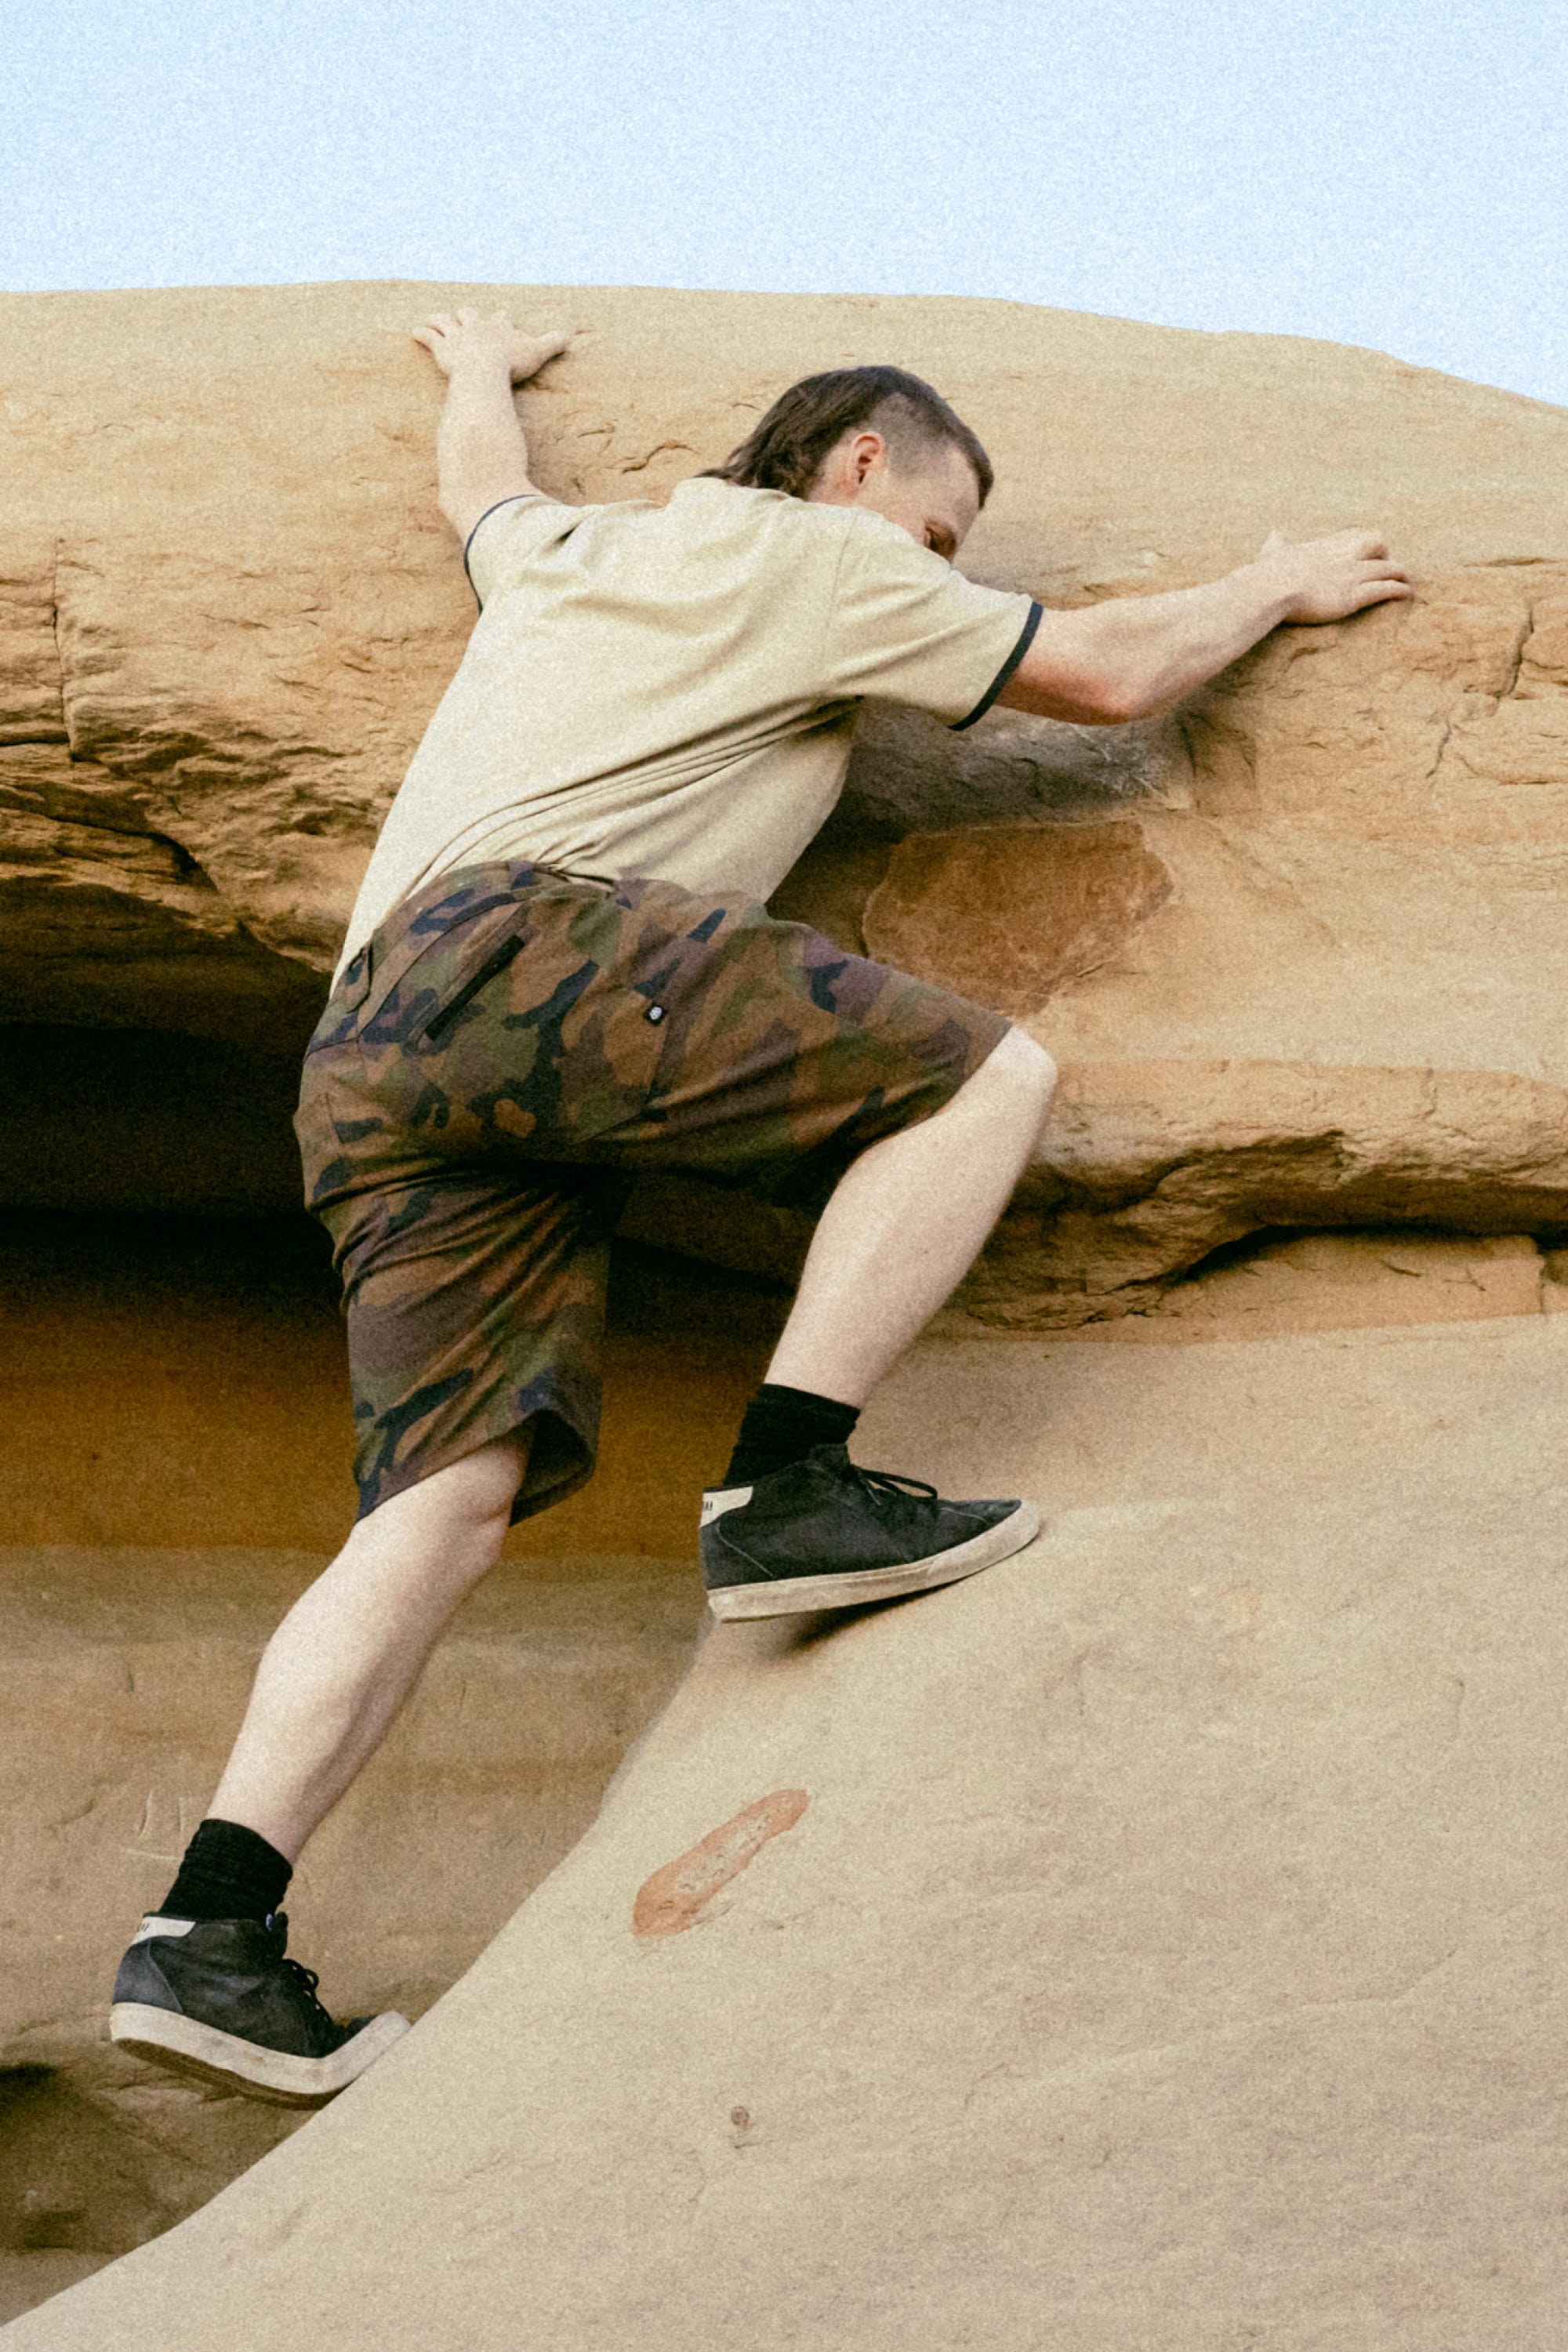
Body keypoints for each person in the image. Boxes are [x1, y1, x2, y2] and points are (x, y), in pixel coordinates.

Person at [108, 309, 1412, 2100]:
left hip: (370, 1051)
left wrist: (476, 373)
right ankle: (792, 1481)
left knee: (444, 1497)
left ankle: (210, 1931)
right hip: (532, 953)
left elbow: (483, 493)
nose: (939, 572)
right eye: (941, 534)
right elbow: (1109, 675)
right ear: (858, 463)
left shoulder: (583, 551)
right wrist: (1268, 587)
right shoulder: (812, 551)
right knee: (986, 1080)